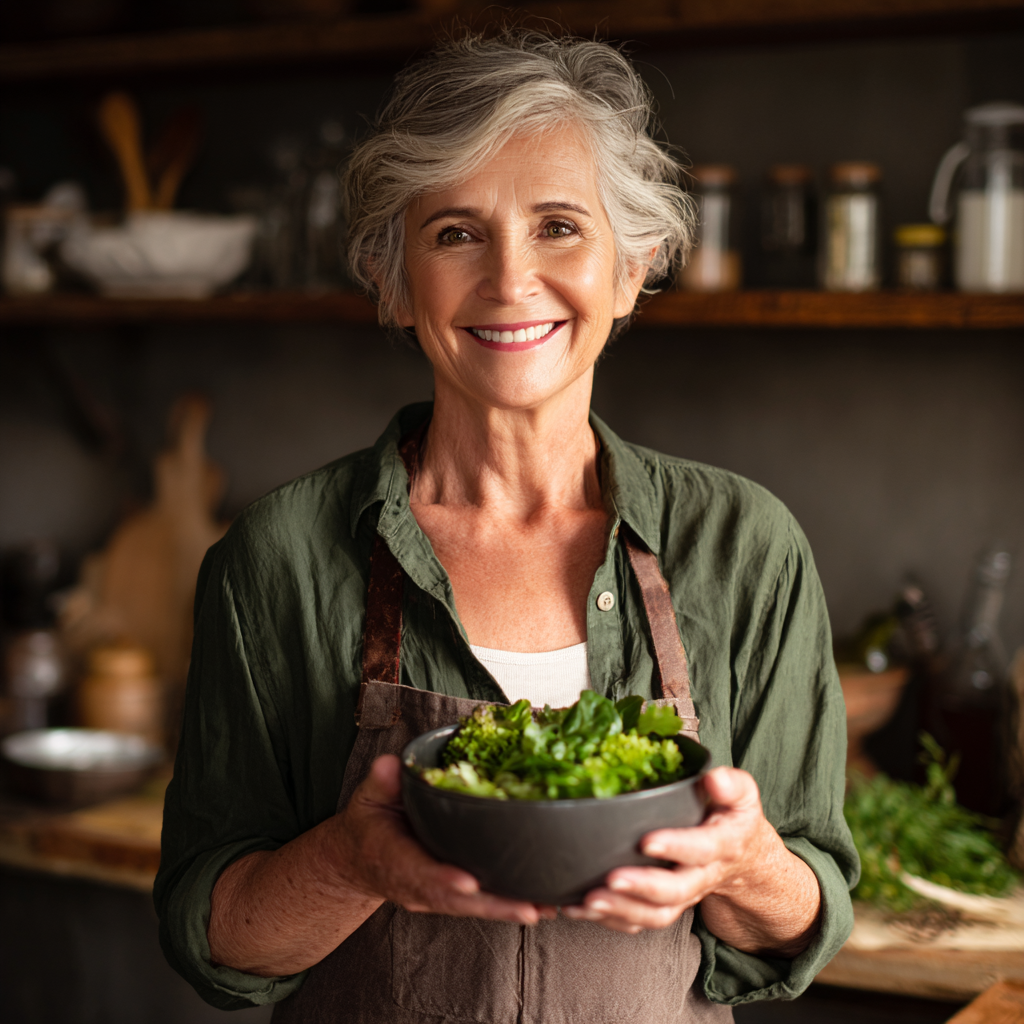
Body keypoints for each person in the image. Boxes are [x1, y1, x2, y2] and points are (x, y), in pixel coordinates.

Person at [155, 28, 858, 1023]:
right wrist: (353, 860)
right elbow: (216, 936)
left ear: (632, 267)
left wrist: (742, 863)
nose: (509, 278)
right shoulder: (278, 558)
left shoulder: (743, 546)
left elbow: (805, 919)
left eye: (559, 226)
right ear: (394, 280)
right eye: (454, 232)